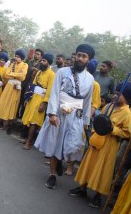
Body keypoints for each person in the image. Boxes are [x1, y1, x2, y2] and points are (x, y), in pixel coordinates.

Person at [34, 43, 95, 190]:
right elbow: (54, 92)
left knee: (72, 146)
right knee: (55, 143)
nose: (80, 58)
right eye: (78, 55)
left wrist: (85, 122)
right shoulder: (62, 72)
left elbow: (87, 102)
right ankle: (53, 174)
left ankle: (60, 161)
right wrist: (52, 114)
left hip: (76, 116)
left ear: (89, 59)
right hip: (59, 113)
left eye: (84, 56)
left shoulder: (90, 79)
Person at [69, 82, 131, 209]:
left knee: (102, 170)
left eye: (118, 94)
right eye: (114, 93)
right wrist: (94, 131)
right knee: (89, 164)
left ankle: (97, 196)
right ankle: (82, 188)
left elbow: (127, 134)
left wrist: (112, 129)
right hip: (96, 141)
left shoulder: (127, 113)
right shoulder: (108, 106)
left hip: (109, 147)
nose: (114, 96)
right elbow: (98, 121)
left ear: (125, 97)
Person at [22, 53, 56, 150]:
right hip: (33, 98)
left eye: (44, 61)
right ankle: (30, 139)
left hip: (41, 100)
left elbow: (49, 90)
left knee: (34, 122)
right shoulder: (39, 72)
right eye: (41, 60)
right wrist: (28, 97)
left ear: (48, 63)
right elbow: (32, 85)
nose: (41, 62)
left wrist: (44, 103)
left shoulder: (52, 74)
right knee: (29, 119)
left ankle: (29, 142)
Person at [0, 49, 28, 133]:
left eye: (18, 57)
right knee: (4, 102)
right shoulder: (12, 64)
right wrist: (16, 75)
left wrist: (12, 75)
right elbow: (6, 74)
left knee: (12, 105)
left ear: (22, 58)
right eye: (16, 56)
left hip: (16, 87)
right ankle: (0, 123)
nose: (16, 58)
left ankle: (9, 125)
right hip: (9, 86)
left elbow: (22, 76)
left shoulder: (25, 65)